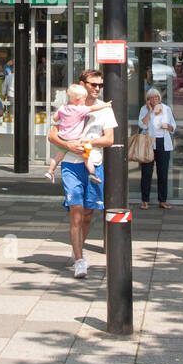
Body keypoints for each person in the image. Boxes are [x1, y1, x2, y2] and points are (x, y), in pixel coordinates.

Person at [49, 69, 115, 279]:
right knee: (76, 212)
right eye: (93, 84)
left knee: (88, 214)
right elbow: (52, 136)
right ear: (82, 84)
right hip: (71, 165)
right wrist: (69, 144)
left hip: (94, 164)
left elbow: (109, 139)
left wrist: (88, 143)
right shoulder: (68, 106)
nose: (97, 88)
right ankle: (79, 260)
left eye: (100, 85)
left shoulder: (104, 109)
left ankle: (79, 247)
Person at [46, 84, 108, 184]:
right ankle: (92, 174)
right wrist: (106, 105)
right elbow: (93, 108)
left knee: (57, 157)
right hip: (76, 139)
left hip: (64, 138)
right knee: (86, 157)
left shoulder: (62, 108)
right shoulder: (80, 109)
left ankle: (50, 171)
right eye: (84, 99)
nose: (84, 101)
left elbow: (55, 118)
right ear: (78, 100)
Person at [138, 87, 177, 209]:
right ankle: (145, 200)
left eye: (156, 97)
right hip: (149, 143)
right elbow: (142, 124)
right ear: (148, 100)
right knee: (146, 172)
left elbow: (173, 127)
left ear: (160, 98)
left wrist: (168, 126)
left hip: (163, 143)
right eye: (151, 98)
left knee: (163, 172)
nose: (154, 99)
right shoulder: (144, 109)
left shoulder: (166, 109)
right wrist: (149, 111)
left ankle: (162, 200)